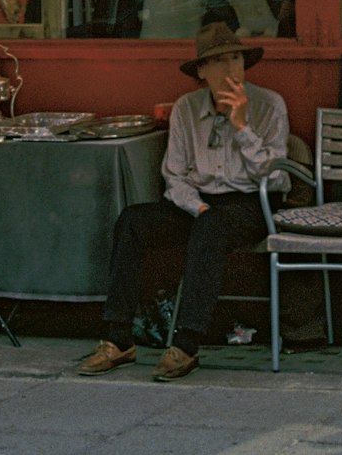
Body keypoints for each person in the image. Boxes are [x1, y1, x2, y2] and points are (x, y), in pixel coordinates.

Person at [78, 21, 289, 381]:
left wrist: (241, 127)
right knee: (132, 220)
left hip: (251, 203)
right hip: (199, 203)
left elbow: (275, 178)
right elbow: (173, 177)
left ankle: (186, 344)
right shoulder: (187, 109)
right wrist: (197, 206)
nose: (230, 69)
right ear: (202, 71)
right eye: (219, 61)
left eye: (236, 58)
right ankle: (117, 339)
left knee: (214, 226)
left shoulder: (269, 105)